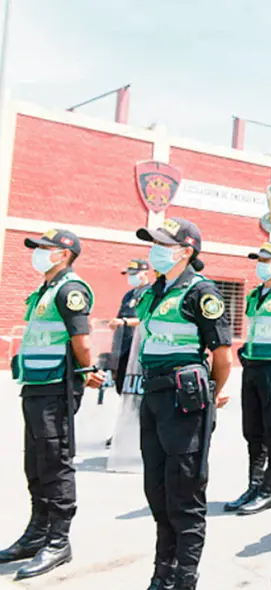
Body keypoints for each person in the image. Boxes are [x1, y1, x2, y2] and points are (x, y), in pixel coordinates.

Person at [0, 229, 105, 580]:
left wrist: (87, 369)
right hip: (35, 384)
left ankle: (58, 541)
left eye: (44, 249)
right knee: (35, 463)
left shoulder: (70, 290)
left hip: (57, 387)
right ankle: (37, 533)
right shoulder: (45, 290)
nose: (37, 253)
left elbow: (82, 340)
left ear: (63, 254)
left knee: (55, 461)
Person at [135, 217, 233, 590]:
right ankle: (164, 571)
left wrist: (212, 392)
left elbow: (222, 356)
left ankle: (185, 578)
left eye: (163, 243)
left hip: (184, 401)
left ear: (186, 251)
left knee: (184, 492)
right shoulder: (156, 290)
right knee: (157, 489)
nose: (155, 250)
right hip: (155, 397)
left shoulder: (200, 292)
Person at [224, 242, 271, 516]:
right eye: (259, 259)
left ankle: (269, 489)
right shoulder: (256, 294)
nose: (261, 263)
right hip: (253, 368)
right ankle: (254, 485)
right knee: (253, 430)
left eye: (267, 259)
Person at [110, 259, 153, 393]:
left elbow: (149, 319)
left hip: (138, 350)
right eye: (129, 274)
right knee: (121, 387)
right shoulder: (129, 295)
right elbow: (119, 319)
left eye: (134, 274)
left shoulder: (151, 293)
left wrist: (126, 322)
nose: (131, 277)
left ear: (145, 273)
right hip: (123, 348)